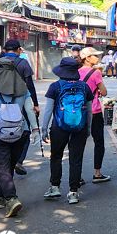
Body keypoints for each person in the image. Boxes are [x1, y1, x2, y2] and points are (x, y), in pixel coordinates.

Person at [41, 56, 93, 204]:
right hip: (80, 127)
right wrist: (88, 128)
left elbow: (48, 110)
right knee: (76, 159)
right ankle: (73, 192)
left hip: (59, 127)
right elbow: (89, 111)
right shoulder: (84, 87)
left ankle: (55, 187)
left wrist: (44, 129)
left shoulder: (55, 86)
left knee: (56, 156)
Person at [0, 68, 33, 218]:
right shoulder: (23, 87)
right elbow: (29, 110)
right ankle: (2, 196)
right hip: (20, 132)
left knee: (3, 166)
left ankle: (9, 198)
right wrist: (35, 129)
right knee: (9, 164)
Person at [0, 39, 40, 175]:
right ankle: (18, 160)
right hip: (20, 101)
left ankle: (7, 161)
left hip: (1, 103)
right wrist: (35, 104)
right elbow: (30, 86)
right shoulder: (23, 63)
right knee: (24, 130)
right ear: (18, 50)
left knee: (2, 126)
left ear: (5, 50)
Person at [78, 46, 111, 184]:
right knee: (99, 142)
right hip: (95, 111)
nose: (97, 57)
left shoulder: (76, 71)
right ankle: (97, 173)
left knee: (78, 144)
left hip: (79, 111)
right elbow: (104, 92)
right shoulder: (96, 73)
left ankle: (77, 176)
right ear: (87, 58)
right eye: (94, 55)